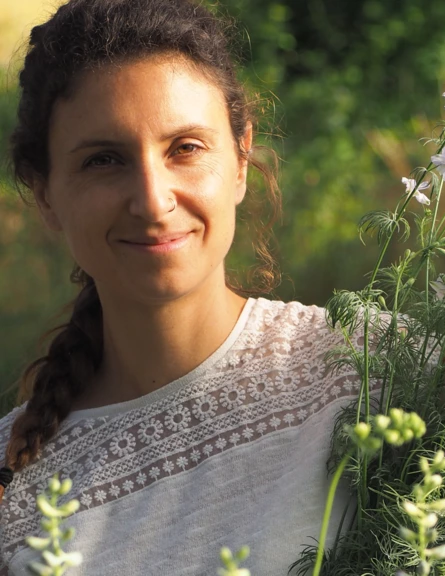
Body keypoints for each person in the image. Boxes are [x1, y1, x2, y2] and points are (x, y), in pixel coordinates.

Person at [0, 0, 374, 573]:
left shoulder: (366, 368)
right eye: (104, 160)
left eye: (186, 149)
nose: (153, 200)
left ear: (242, 160)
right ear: (45, 193)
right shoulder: (12, 483)